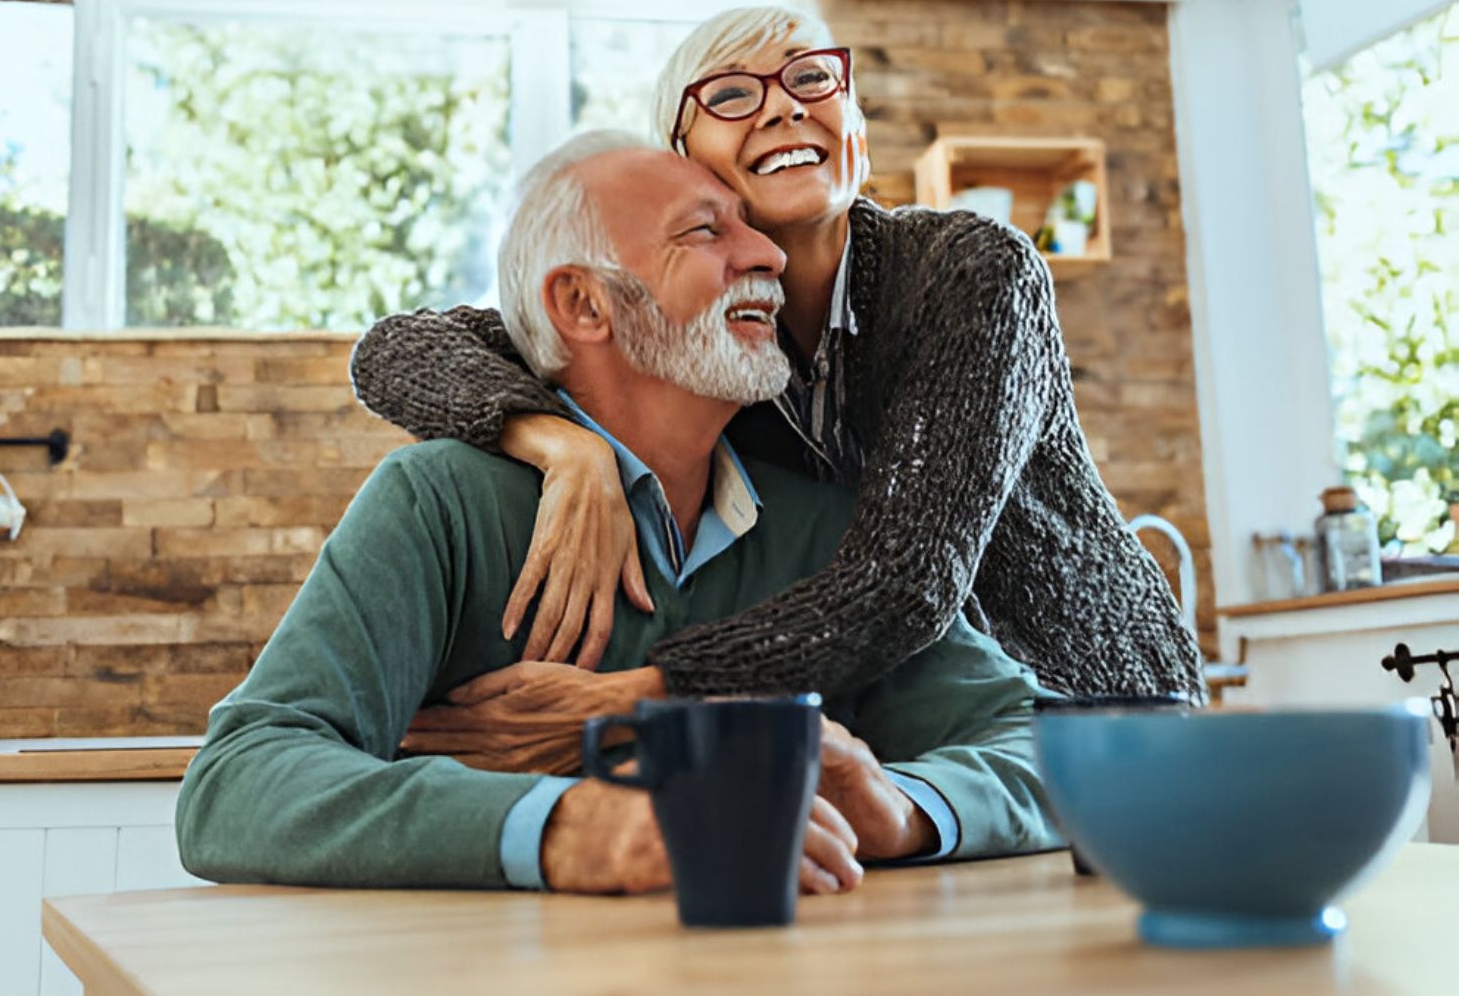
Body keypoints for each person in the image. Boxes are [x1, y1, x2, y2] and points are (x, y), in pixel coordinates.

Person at [176, 132, 1062, 894]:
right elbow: (237, 781)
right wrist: (574, 827)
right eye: (707, 231)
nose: (769, 257)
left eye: (753, 229)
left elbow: (1046, 748)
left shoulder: (828, 533)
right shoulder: (438, 503)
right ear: (583, 303)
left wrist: (901, 807)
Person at [348, 6, 1205, 713]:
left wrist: (640, 695)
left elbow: (904, 582)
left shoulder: (973, 272)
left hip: (1098, 710)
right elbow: (398, 348)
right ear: (684, 165)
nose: (783, 107)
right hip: (913, 730)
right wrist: (559, 444)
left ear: (856, 132)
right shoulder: (699, 337)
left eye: (809, 78)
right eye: (728, 93)